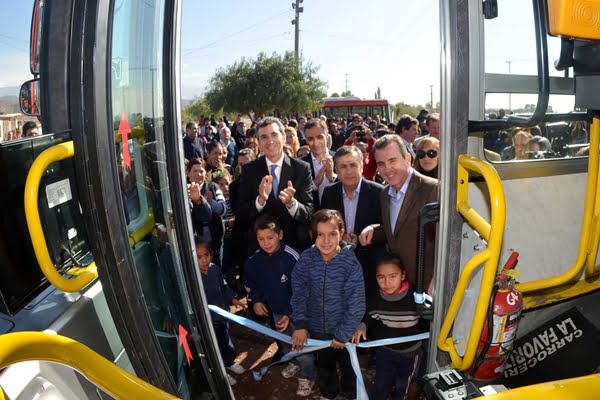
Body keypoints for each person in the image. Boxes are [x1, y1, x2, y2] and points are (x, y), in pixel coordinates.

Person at [291, 209, 366, 400]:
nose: (326, 241)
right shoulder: (306, 259)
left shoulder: (350, 262)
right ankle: (328, 393)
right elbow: (298, 293)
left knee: (349, 367)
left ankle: (350, 394)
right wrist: (300, 324)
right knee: (325, 367)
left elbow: (356, 302)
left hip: (345, 332)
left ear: (341, 233)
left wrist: (342, 335)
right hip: (318, 331)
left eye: (332, 234)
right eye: (320, 235)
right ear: (312, 235)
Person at [244, 216, 316, 397]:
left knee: (303, 346)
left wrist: (289, 313)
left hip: (299, 313)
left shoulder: (294, 257)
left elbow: (303, 289)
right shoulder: (254, 261)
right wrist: (257, 299)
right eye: (261, 239)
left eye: (270, 237)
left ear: (280, 235)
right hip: (277, 312)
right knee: (285, 342)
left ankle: (308, 376)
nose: (266, 243)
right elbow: (251, 282)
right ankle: (295, 362)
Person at [359, 134, 438, 288]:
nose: (387, 169)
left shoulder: (432, 189)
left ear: (408, 159)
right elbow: (396, 232)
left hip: (427, 285)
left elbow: (446, 240)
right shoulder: (385, 194)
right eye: (381, 164)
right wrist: (374, 231)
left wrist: (437, 280)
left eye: (392, 160)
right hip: (401, 288)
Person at [235, 117, 314, 253]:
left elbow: (308, 213)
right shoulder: (249, 170)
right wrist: (260, 201)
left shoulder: (302, 168)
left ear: (283, 137)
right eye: (264, 137)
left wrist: (292, 203)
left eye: (274, 135)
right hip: (261, 251)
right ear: (258, 142)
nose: (270, 141)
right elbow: (241, 214)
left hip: (294, 248)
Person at [352, 257, 423, 400]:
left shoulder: (416, 298)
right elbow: (370, 317)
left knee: (402, 385)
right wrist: (362, 326)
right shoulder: (375, 299)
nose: (387, 283)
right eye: (381, 277)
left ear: (403, 275)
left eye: (393, 276)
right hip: (385, 350)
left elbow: (430, 320)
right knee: (380, 384)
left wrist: (430, 311)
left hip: (410, 352)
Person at [320, 145, 384, 295]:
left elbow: (385, 228)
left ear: (362, 166)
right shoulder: (329, 193)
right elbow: (322, 226)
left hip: (369, 265)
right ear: (336, 169)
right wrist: (339, 238)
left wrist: (366, 237)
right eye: (343, 166)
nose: (348, 171)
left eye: (353, 165)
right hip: (337, 263)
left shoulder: (378, 192)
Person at [196, 240, 246, 386]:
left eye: (206, 255)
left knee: (225, 341)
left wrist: (233, 299)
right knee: (213, 347)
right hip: (207, 321)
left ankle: (229, 362)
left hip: (222, 316)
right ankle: (221, 372)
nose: (204, 260)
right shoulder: (193, 277)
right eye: (199, 257)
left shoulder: (214, 269)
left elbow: (223, 287)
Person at [186, 158, 227, 265]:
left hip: (215, 240)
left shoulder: (213, 187)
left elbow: (224, 210)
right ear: (187, 173)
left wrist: (211, 202)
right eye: (195, 171)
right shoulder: (183, 190)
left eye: (201, 171)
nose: (198, 174)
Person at [301, 118, 336, 205]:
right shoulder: (300, 165)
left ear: (327, 137)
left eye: (319, 137)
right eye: (310, 139)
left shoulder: (339, 159)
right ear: (306, 140)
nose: (315, 143)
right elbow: (300, 198)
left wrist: (332, 178)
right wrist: (315, 183)